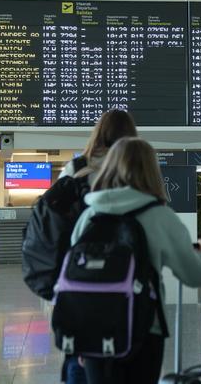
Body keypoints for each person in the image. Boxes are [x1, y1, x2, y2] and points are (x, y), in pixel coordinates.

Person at [71, 137, 201, 384]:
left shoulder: (89, 215)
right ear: (151, 171)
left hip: (92, 330)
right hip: (143, 328)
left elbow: (74, 273)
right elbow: (194, 274)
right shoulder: (160, 216)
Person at [54, 109, 138, 384]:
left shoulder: (76, 169)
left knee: (79, 352)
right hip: (125, 282)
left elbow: (55, 223)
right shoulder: (135, 172)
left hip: (79, 279)